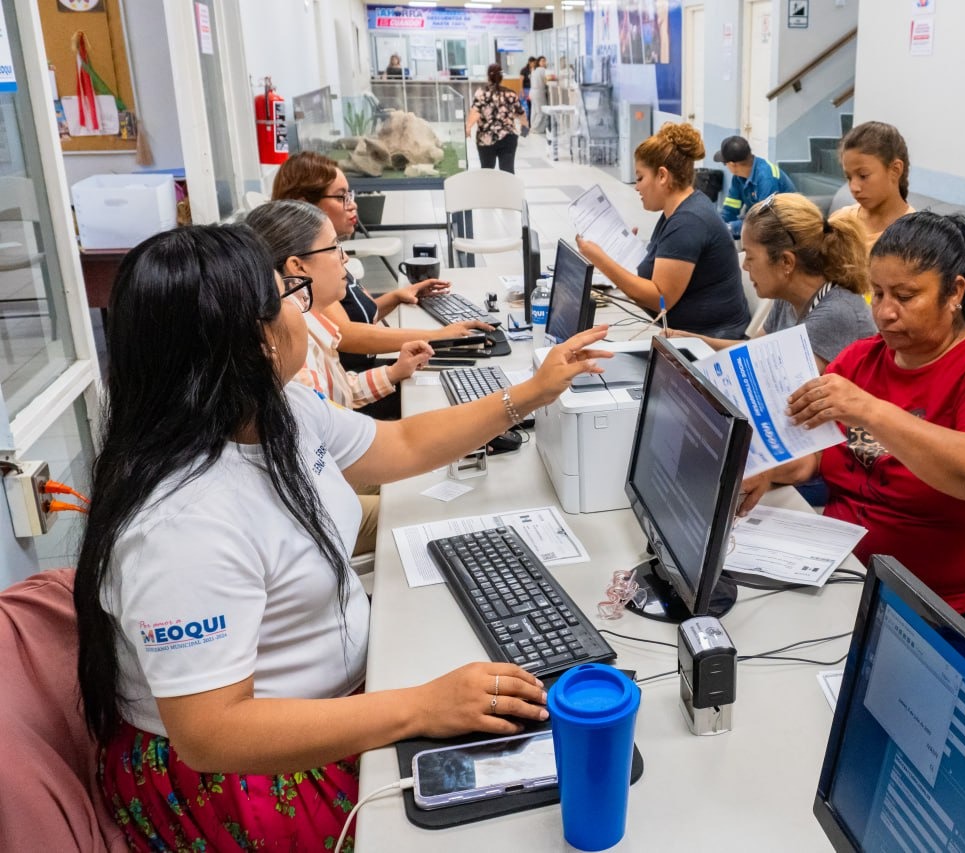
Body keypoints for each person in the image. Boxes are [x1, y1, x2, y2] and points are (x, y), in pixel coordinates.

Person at [74, 223, 612, 851]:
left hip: (344, 694)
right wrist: (421, 706)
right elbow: (211, 734)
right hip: (246, 776)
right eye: (286, 296)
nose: (302, 310)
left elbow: (401, 444)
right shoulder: (181, 524)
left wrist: (531, 393)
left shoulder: (276, 411)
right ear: (249, 339)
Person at [739, 212, 965, 672]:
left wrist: (867, 409)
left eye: (906, 296)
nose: (886, 312)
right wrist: (772, 468)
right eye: (880, 294)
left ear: (955, 293)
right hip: (858, 582)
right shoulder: (861, 359)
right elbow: (818, 457)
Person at [271, 152, 492, 375]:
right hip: (353, 380)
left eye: (351, 194)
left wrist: (397, 296)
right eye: (341, 197)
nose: (353, 205)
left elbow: (357, 314)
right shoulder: (309, 269)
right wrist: (438, 335)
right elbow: (345, 334)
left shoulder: (327, 255)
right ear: (304, 204)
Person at [246, 199, 430, 418]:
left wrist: (394, 372)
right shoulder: (296, 353)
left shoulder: (307, 317)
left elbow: (337, 392)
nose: (345, 257)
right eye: (334, 247)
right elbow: (332, 431)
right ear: (297, 266)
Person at [576, 123, 751, 339]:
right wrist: (622, 250)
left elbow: (659, 299)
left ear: (662, 176)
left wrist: (600, 259)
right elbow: (658, 270)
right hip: (690, 335)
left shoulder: (688, 222)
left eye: (640, 178)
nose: (636, 187)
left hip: (707, 344)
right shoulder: (677, 211)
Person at [670, 192, 876, 371]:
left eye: (750, 257)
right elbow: (753, 353)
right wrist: (696, 342)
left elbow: (780, 390)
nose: (744, 266)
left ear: (786, 262)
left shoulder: (835, 315)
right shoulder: (788, 296)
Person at [836, 121, 915, 250]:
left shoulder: (913, 236)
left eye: (863, 175)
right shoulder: (841, 221)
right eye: (849, 177)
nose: (854, 187)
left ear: (895, 170)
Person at [714, 135, 797, 239]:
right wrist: (717, 225)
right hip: (763, 221)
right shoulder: (738, 177)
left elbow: (763, 221)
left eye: (724, 163)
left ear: (732, 164)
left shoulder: (766, 178)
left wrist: (730, 227)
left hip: (786, 228)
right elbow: (729, 210)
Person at [466, 63, 528, 174]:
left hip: (485, 138)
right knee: (507, 171)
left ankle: (490, 191)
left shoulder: (481, 94)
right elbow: (521, 113)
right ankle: (507, 191)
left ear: (488, 77)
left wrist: (468, 127)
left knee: (487, 171)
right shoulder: (510, 94)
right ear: (501, 77)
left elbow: (475, 112)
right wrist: (525, 126)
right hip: (508, 137)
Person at [529, 56, 549, 133]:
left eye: (545, 61)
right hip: (539, 92)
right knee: (541, 111)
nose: (544, 62)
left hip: (532, 92)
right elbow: (547, 80)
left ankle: (533, 127)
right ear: (538, 62)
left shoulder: (534, 70)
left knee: (534, 111)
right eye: (542, 61)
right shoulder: (543, 70)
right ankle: (535, 128)